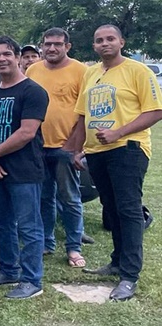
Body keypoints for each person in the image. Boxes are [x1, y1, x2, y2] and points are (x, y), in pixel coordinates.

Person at [67, 25, 162, 301]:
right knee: (111, 208)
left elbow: (155, 111)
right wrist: (76, 149)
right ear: (94, 46)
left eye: (110, 39)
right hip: (96, 152)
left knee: (129, 209)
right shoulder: (92, 73)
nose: (104, 43)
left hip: (128, 149)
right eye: (99, 40)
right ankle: (117, 261)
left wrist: (119, 132)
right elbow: (83, 116)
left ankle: (129, 275)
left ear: (121, 41)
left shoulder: (138, 71)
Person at [0, 36, 49, 301]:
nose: (1, 59)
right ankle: (8, 269)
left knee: (29, 227)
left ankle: (32, 280)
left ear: (17, 56)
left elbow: (26, 133)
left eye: (7, 54)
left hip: (24, 171)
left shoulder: (33, 91)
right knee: (4, 224)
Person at [26, 28, 88, 267]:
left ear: (67, 46)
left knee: (70, 198)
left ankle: (73, 248)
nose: (52, 48)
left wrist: (77, 144)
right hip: (37, 146)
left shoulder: (81, 70)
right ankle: (46, 242)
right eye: (47, 44)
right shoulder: (33, 70)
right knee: (44, 198)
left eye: (57, 44)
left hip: (66, 146)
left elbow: (85, 112)